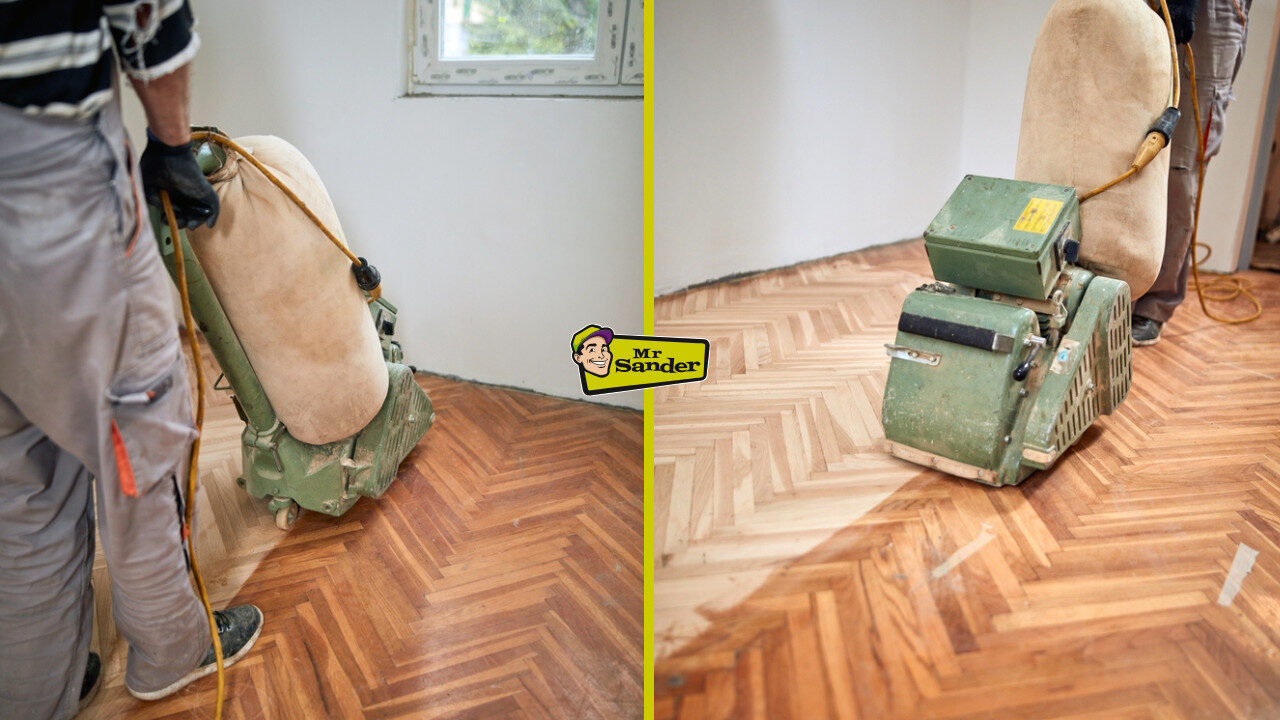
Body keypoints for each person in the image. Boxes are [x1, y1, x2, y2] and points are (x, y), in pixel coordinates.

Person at [0, 2, 262, 717]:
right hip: (51, 195)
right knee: (140, 453)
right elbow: (150, 20)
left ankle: (34, 693)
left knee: (19, 487)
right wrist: (171, 146)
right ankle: (171, 653)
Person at [1133, 0, 1252, 345]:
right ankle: (1114, 286)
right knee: (1122, 140)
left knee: (1179, 167)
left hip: (1210, 10)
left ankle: (1153, 304)